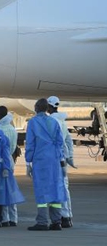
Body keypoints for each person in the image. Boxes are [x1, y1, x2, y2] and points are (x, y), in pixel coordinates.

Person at [25, 98, 68, 231]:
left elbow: (30, 143)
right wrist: (61, 160)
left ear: (36, 108)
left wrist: (28, 161)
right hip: (54, 159)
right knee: (55, 189)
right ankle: (56, 221)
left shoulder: (33, 122)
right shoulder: (54, 122)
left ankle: (42, 221)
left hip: (41, 160)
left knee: (42, 190)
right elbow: (60, 142)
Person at [47, 96, 75, 228]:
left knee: (57, 189)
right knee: (64, 187)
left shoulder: (51, 121)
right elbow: (69, 141)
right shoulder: (62, 121)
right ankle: (68, 217)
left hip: (55, 159)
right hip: (62, 159)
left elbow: (56, 142)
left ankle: (61, 217)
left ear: (49, 106)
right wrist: (69, 157)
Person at [0, 105, 20, 226]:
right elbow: (14, 146)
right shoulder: (12, 128)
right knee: (11, 189)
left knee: (1, 190)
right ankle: (14, 218)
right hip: (10, 160)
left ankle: (4, 218)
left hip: (1, 161)